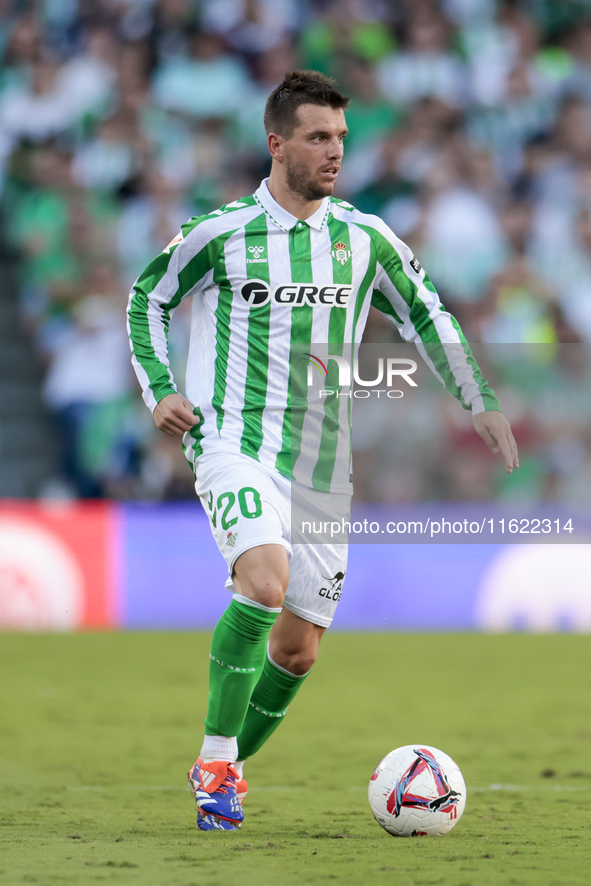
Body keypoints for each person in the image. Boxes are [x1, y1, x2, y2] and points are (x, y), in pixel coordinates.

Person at [127, 70, 519, 831]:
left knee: (299, 649)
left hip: (319, 464)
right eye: (316, 137)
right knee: (264, 583)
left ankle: (226, 770)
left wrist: (479, 400)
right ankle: (215, 754)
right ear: (276, 143)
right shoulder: (220, 233)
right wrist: (160, 389)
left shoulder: (365, 238)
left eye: (339, 137)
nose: (333, 152)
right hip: (231, 442)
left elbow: (427, 315)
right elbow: (148, 298)